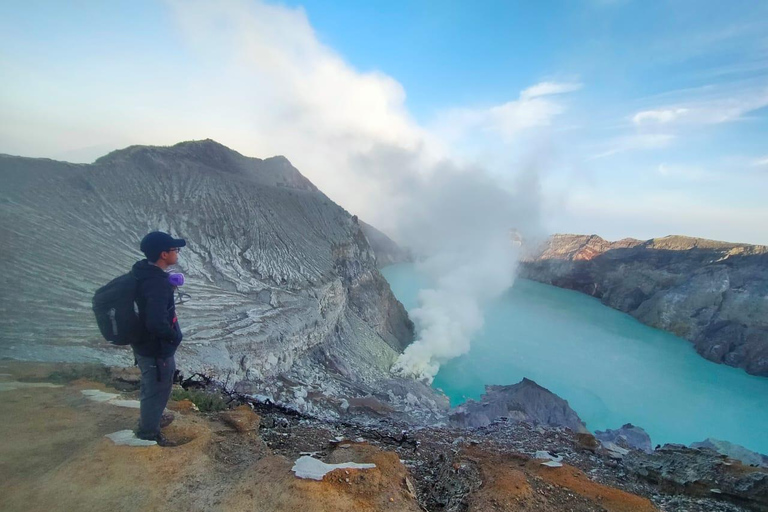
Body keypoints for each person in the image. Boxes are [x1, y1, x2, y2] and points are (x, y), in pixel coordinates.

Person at [131, 231, 186, 445]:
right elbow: (155, 321)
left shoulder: (144, 273)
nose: (177, 253)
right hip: (156, 350)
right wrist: (172, 338)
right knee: (158, 387)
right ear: (164, 254)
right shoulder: (157, 284)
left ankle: (151, 419)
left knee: (152, 384)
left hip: (144, 345)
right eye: (175, 250)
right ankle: (148, 434)